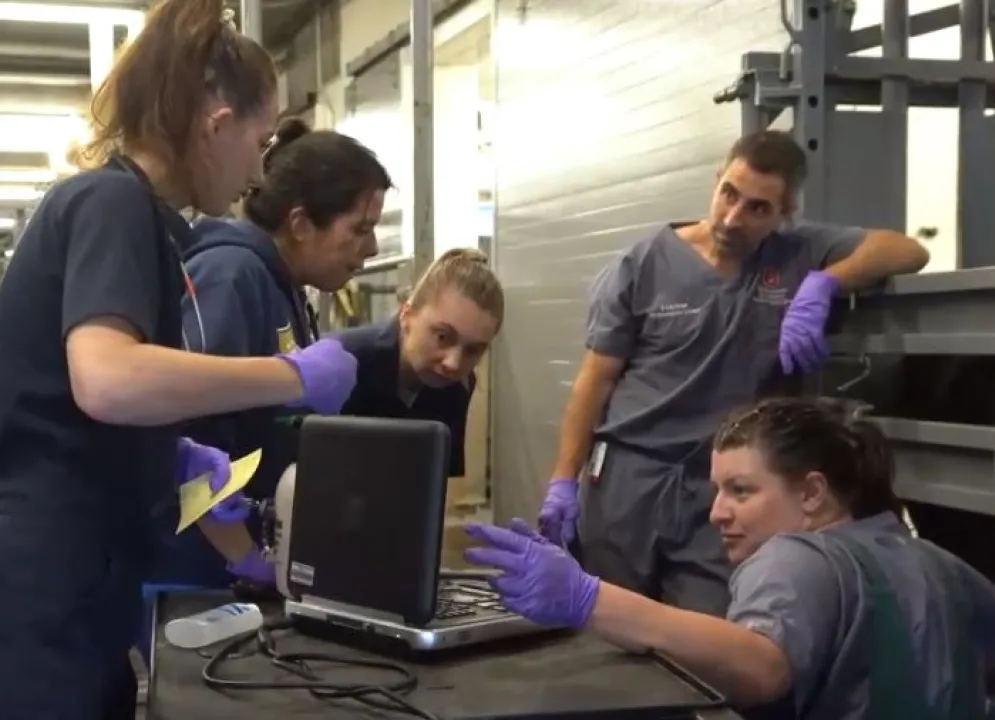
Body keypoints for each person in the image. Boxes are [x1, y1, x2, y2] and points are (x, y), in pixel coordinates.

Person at [0, 0, 357, 717]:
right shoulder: (111, 204)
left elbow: (80, 399)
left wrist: (165, 452)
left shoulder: (139, 219)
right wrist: (290, 375)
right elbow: (104, 379)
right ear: (215, 125)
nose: (258, 173)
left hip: (77, 571)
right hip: (46, 578)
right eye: (259, 142)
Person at [536, 130, 930, 616]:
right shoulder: (643, 264)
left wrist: (826, 282)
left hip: (720, 490)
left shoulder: (797, 254)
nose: (732, 217)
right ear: (717, 180)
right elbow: (594, 383)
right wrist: (563, 480)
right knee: (608, 626)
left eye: (757, 208)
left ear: (785, 216)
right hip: (628, 479)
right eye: (729, 194)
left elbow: (908, 250)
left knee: (709, 636)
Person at [467, 398, 995, 719]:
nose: (717, 512)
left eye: (741, 491)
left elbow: (761, 667)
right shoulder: (944, 567)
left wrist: (589, 598)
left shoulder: (798, 556)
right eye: (717, 491)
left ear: (812, 493)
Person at [144, 116, 391, 593]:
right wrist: (245, 559)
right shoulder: (231, 274)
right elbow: (186, 422)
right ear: (300, 224)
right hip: (194, 573)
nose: (372, 247)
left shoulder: (285, 287)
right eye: (360, 229)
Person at [336, 247, 504, 479]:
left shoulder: (457, 387)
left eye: (473, 350)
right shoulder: (345, 361)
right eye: (443, 337)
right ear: (407, 315)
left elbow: (434, 484)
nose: (454, 363)